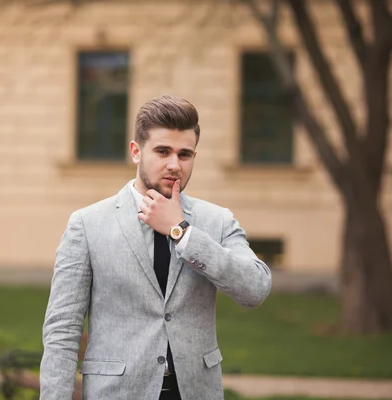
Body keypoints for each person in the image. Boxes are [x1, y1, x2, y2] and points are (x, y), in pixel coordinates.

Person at [40, 95, 272, 400]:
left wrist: (182, 232)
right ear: (136, 152)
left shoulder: (217, 221)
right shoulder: (87, 225)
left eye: (184, 154)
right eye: (163, 151)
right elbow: (62, 329)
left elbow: (254, 289)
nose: (174, 165)